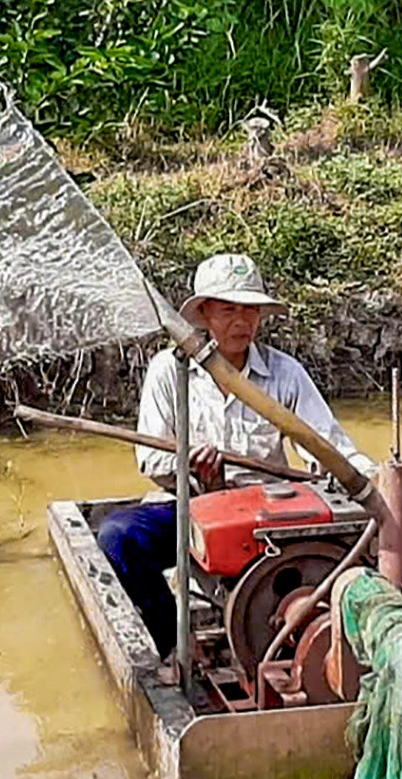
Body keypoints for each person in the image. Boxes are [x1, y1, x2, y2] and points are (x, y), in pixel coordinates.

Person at [97, 252, 374, 665]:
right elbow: (152, 461)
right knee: (117, 538)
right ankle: (174, 640)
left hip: (269, 513)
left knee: (361, 543)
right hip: (190, 507)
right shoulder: (167, 372)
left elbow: (327, 448)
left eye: (251, 310)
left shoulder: (286, 374)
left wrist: (371, 480)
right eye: (228, 310)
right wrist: (191, 467)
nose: (241, 321)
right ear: (204, 313)